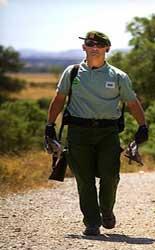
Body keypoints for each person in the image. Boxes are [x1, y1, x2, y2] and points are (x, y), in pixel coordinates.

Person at [45, 31, 148, 236]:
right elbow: (59, 99)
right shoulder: (72, 72)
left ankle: (107, 211)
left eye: (99, 45)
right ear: (84, 47)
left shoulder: (118, 76)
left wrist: (142, 126)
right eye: (90, 44)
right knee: (84, 180)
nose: (94, 48)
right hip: (78, 132)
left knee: (110, 176)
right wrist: (49, 125)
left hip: (107, 132)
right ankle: (92, 222)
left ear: (107, 49)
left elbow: (132, 103)